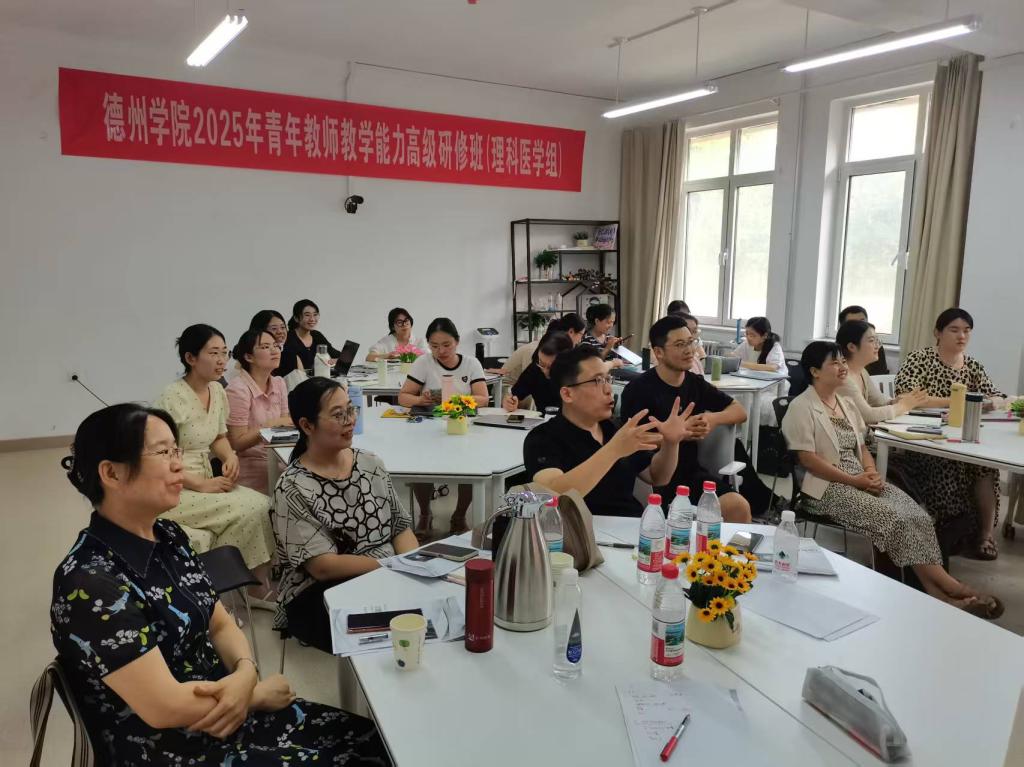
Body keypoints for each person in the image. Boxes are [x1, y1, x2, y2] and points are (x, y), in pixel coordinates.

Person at [52, 403, 388, 765]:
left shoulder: (168, 535)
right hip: (171, 746)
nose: (178, 464)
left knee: (375, 741)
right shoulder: (90, 583)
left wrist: (245, 671)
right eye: (163, 453)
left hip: (228, 713)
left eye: (176, 451)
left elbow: (220, 623)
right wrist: (254, 695)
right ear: (111, 473)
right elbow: (165, 707)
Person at [781, 342, 1002, 618]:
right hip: (826, 488)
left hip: (861, 478)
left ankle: (937, 595)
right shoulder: (801, 407)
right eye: (834, 363)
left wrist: (870, 471)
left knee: (916, 515)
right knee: (893, 519)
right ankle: (953, 588)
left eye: (843, 362)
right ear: (815, 371)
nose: (842, 367)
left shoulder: (845, 403)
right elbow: (808, 460)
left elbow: (862, 445)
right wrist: (855, 481)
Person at [273, 378, 418, 653]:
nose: (350, 420)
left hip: (386, 574)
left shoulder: (370, 463)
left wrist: (413, 566)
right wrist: (392, 566)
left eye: (351, 410)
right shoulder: (293, 487)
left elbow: (400, 527)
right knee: (396, 633)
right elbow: (323, 567)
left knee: (428, 612)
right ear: (307, 426)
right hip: (321, 591)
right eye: (338, 415)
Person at [154, 325, 276, 602]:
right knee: (254, 506)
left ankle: (241, 585)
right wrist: (199, 484)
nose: (222, 360)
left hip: (206, 480)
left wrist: (229, 456)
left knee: (261, 507)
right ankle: (226, 589)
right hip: (174, 486)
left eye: (225, 353)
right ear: (190, 358)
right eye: (213, 353)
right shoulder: (172, 397)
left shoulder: (218, 391)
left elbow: (218, 436)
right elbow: (159, 455)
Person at [523, 346, 694, 517]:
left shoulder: (611, 428)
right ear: (567, 394)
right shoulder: (543, 438)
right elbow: (552, 494)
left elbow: (656, 476)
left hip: (630, 524)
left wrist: (671, 443)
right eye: (597, 381)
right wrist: (614, 450)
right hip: (582, 530)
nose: (608, 390)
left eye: (607, 379)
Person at [894, 308, 1007, 559]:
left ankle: (984, 535)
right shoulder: (920, 359)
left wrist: (994, 401)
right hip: (926, 438)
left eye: (967, 331)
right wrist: (960, 400)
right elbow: (907, 396)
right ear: (938, 333)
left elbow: (995, 395)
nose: (961, 336)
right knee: (948, 462)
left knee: (986, 466)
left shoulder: (973, 365)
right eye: (954, 330)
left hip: (963, 435)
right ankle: (951, 530)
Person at [621, 315, 752, 522]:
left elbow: (739, 411)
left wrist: (712, 419)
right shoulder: (638, 390)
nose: (689, 350)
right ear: (659, 352)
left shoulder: (694, 383)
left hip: (690, 473)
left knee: (738, 507)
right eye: (680, 344)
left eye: (691, 342)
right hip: (651, 478)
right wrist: (676, 436)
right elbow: (631, 442)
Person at [398, 318, 489, 535]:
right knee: (420, 467)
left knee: (471, 468)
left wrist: (457, 400)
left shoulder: (471, 364)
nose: (441, 351)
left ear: (457, 342)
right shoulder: (424, 362)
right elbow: (403, 397)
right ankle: (425, 514)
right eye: (434, 346)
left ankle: (459, 516)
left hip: (461, 424)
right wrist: (421, 400)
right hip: (429, 428)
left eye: (447, 345)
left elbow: (483, 398)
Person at [226, 329, 293, 493]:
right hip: (251, 463)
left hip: (278, 456)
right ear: (249, 357)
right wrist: (270, 425)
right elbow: (237, 443)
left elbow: (286, 426)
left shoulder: (279, 383)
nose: (275, 351)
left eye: (276, 346)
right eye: (265, 347)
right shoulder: (238, 389)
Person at [836, 320, 926, 424]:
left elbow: (879, 401)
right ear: (852, 347)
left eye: (877, 340)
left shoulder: (862, 371)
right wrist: (903, 406)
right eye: (871, 341)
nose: (877, 346)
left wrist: (896, 401)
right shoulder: (843, 377)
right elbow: (868, 415)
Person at [493, 313, 585, 382]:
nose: (580, 340)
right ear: (571, 332)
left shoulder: (560, 352)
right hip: (508, 388)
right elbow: (531, 381)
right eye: (581, 334)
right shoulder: (536, 350)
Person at [502, 331, 573, 413]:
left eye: (551, 367)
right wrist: (510, 402)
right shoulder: (535, 369)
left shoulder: (577, 376)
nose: (545, 371)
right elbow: (515, 395)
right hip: (543, 419)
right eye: (541, 363)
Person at [278, 299, 343, 377]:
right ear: (296, 318)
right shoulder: (288, 338)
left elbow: (336, 354)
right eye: (307, 315)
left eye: (315, 315)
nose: (312, 319)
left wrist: (337, 360)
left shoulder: (317, 335)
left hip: (318, 378)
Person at [250, 309, 302, 377]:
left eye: (283, 327)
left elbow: (303, 382)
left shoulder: (292, 355)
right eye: (274, 328)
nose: (280, 332)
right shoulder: (250, 357)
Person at [839, 305, 888, 375]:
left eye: (862, 322)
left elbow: (881, 375)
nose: (860, 326)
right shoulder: (836, 353)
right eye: (853, 324)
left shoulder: (876, 347)